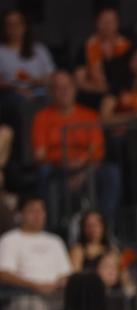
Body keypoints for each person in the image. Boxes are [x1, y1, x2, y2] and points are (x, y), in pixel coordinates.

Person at [32, 70, 122, 227]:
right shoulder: (42, 117)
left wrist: (81, 171)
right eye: (58, 88)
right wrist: (64, 162)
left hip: (87, 170)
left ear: (75, 89)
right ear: (51, 92)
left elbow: (97, 151)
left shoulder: (89, 116)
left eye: (67, 87)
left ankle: (105, 227)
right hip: (57, 169)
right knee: (43, 171)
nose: (64, 92)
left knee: (111, 172)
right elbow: (40, 155)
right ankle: (50, 227)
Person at [0, 196, 72, 310]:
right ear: (20, 214)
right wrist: (35, 286)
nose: (38, 215)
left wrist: (57, 284)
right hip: (22, 297)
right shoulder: (10, 240)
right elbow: (4, 273)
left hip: (56, 296)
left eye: (41, 211)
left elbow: (67, 273)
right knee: (39, 309)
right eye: (32, 211)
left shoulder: (55, 241)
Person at [78, 8, 133, 99]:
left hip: (124, 99)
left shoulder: (129, 48)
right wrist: (106, 90)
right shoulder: (85, 48)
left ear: (117, 23)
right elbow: (80, 82)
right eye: (103, 21)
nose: (107, 25)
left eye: (111, 21)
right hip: (94, 98)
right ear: (96, 23)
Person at [0, 10, 55, 101]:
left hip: (41, 91)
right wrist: (16, 88)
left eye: (17, 24)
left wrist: (34, 81)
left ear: (24, 26)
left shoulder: (39, 49)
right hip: (12, 93)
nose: (13, 28)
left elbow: (52, 76)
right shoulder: (1, 51)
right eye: (9, 24)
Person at [99, 47, 137, 126]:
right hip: (118, 130)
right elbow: (104, 118)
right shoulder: (117, 84)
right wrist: (132, 116)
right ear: (129, 61)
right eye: (136, 58)